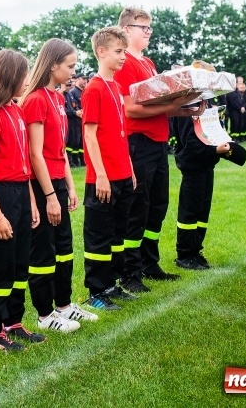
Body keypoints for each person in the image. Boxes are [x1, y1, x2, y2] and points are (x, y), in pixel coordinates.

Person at [114, 8, 198, 293]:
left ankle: (149, 263)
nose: (149, 32)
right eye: (143, 28)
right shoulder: (124, 62)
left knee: (157, 206)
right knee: (138, 207)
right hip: (139, 143)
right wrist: (173, 107)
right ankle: (130, 271)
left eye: (150, 28)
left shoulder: (148, 62)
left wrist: (185, 109)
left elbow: (158, 106)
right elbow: (131, 109)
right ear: (126, 30)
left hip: (159, 143)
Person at [21, 39, 97, 330]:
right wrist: (50, 196)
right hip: (42, 186)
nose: (73, 71)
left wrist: (70, 186)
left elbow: (61, 149)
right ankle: (44, 314)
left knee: (64, 246)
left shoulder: (57, 97)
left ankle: (64, 305)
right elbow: (35, 154)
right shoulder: (36, 99)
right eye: (70, 66)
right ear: (53, 65)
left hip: (58, 182)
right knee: (43, 248)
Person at [0, 49, 44, 350]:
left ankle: (13, 322)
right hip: (0, 195)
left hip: (19, 193)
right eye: (24, 75)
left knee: (19, 265)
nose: (27, 80)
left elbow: (24, 166)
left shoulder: (16, 111)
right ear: (10, 77)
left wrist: (30, 202)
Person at [82, 27, 136, 310]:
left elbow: (121, 134)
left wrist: (130, 169)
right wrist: (101, 175)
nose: (123, 57)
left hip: (123, 176)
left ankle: (113, 284)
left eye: (125, 51)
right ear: (101, 52)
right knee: (99, 236)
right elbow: (90, 135)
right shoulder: (93, 89)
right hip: (102, 179)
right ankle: (96, 291)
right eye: (118, 51)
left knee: (117, 235)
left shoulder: (116, 87)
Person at [171, 101, 245, 270]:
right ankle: (184, 254)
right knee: (189, 213)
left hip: (207, 165)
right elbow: (189, 144)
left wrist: (226, 145)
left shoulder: (208, 105)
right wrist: (214, 151)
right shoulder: (186, 108)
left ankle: (196, 251)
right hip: (192, 167)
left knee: (202, 212)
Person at [65, 73, 86, 167]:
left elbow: (75, 105)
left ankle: (79, 160)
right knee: (72, 142)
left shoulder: (72, 93)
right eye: (68, 84)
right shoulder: (72, 92)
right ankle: (71, 161)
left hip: (79, 119)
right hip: (71, 120)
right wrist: (75, 112)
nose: (69, 86)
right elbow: (67, 109)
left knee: (79, 142)